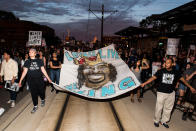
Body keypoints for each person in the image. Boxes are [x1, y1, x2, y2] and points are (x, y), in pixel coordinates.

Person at [141, 58, 196, 128]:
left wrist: (190, 87)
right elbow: (153, 78)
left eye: (168, 63)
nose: (166, 64)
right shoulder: (161, 71)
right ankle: (156, 120)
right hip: (161, 92)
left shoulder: (176, 72)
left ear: (172, 64)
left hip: (171, 93)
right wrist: (145, 83)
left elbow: (183, 80)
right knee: (159, 108)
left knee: (168, 109)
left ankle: (164, 121)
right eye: (166, 63)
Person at [18, 48, 52, 114]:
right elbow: (24, 72)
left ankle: (42, 99)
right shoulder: (27, 61)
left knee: (41, 91)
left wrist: (48, 78)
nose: (30, 53)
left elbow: (43, 70)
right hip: (31, 81)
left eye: (31, 52)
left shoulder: (39, 61)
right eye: (29, 52)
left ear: (35, 53)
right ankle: (35, 106)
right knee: (33, 93)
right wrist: (20, 81)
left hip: (40, 80)